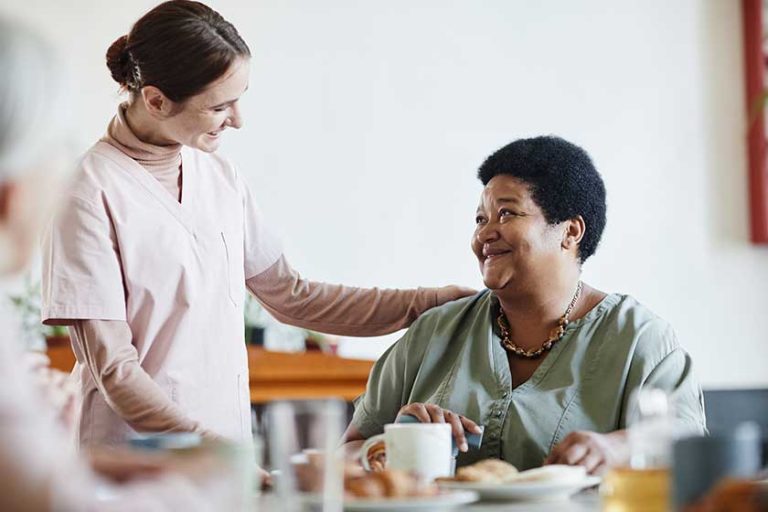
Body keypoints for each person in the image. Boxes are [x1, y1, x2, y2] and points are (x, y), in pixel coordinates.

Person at [41, 0, 473, 449]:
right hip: (132, 459)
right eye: (219, 107)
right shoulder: (86, 193)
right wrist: (213, 449)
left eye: (239, 100)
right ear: (156, 99)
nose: (238, 121)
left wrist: (426, 303)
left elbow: (292, 297)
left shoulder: (220, 177)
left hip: (224, 453)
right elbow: (114, 369)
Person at [343, 136, 707, 474]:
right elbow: (344, 456)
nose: (484, 234)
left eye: (507, 214)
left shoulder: (638, 338)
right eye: (480, 219)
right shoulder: (433, 333)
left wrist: (616, 448)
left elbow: (687, 443)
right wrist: (395, 442)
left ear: (570, 231)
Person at [0, 17, 249, 511]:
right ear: (12, 193)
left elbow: (29, 474)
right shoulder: (94, 183)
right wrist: (215, 476)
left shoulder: (216, 175)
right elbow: (50, 498)